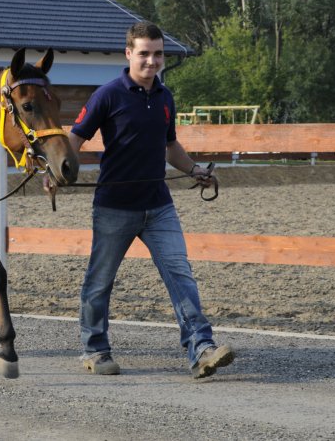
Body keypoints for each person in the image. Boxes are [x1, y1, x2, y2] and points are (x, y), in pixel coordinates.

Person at [48, 21, 234, 379]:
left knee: (180, 274)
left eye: (158, 53)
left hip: (159, 205)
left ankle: (201, 349)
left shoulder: (165, 97)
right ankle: (96, 349)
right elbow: (75, 138)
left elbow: (169, 146)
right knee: (100, 280)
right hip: (114, 207)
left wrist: (195, 169)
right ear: (129, 53)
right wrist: (59, 174)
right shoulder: (107, 94)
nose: (152, 61)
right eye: (144, 53)